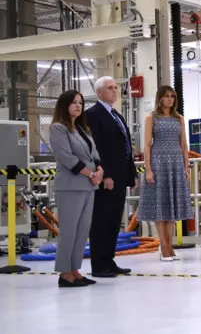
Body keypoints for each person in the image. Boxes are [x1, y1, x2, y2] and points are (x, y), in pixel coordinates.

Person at [49, 90, 103, 287]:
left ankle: (75, 270)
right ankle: (64, 273)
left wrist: (100, 170)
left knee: (81, 231)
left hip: (88, 186)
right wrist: (91, 174)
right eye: (73, 102)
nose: (78, 106)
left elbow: (94, 154)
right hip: (70, 186)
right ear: (64, 105)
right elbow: (67, 157)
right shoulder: (58, 128)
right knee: (69, 230)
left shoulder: (83, 129)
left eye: (80, 102)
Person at [85, 76, 137, 277]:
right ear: (99, 92)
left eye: (116, 87)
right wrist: (104, 174)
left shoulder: (116, 115)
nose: (115, 91)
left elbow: (126, 148)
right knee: (102, 221)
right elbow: (97, 149)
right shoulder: (93, 115)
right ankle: (98, 265)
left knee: (114, 221)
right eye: (110, 88)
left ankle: (109, 260)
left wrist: (130, 175)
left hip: (120, 177)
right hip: (105, 179)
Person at [138, 85, 192, 261]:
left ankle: (169, 246)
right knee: (161, 205)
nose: (170, 99)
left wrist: (186, 166)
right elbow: (146, 144)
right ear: (160, 98)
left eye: (172, 97)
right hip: (158, 162)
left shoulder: (179, 119)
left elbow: (184, 144)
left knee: (171, 207)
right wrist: (148, 169)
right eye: (167, 96)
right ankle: (164, 246)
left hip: (175, 162)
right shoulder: (151, 118)